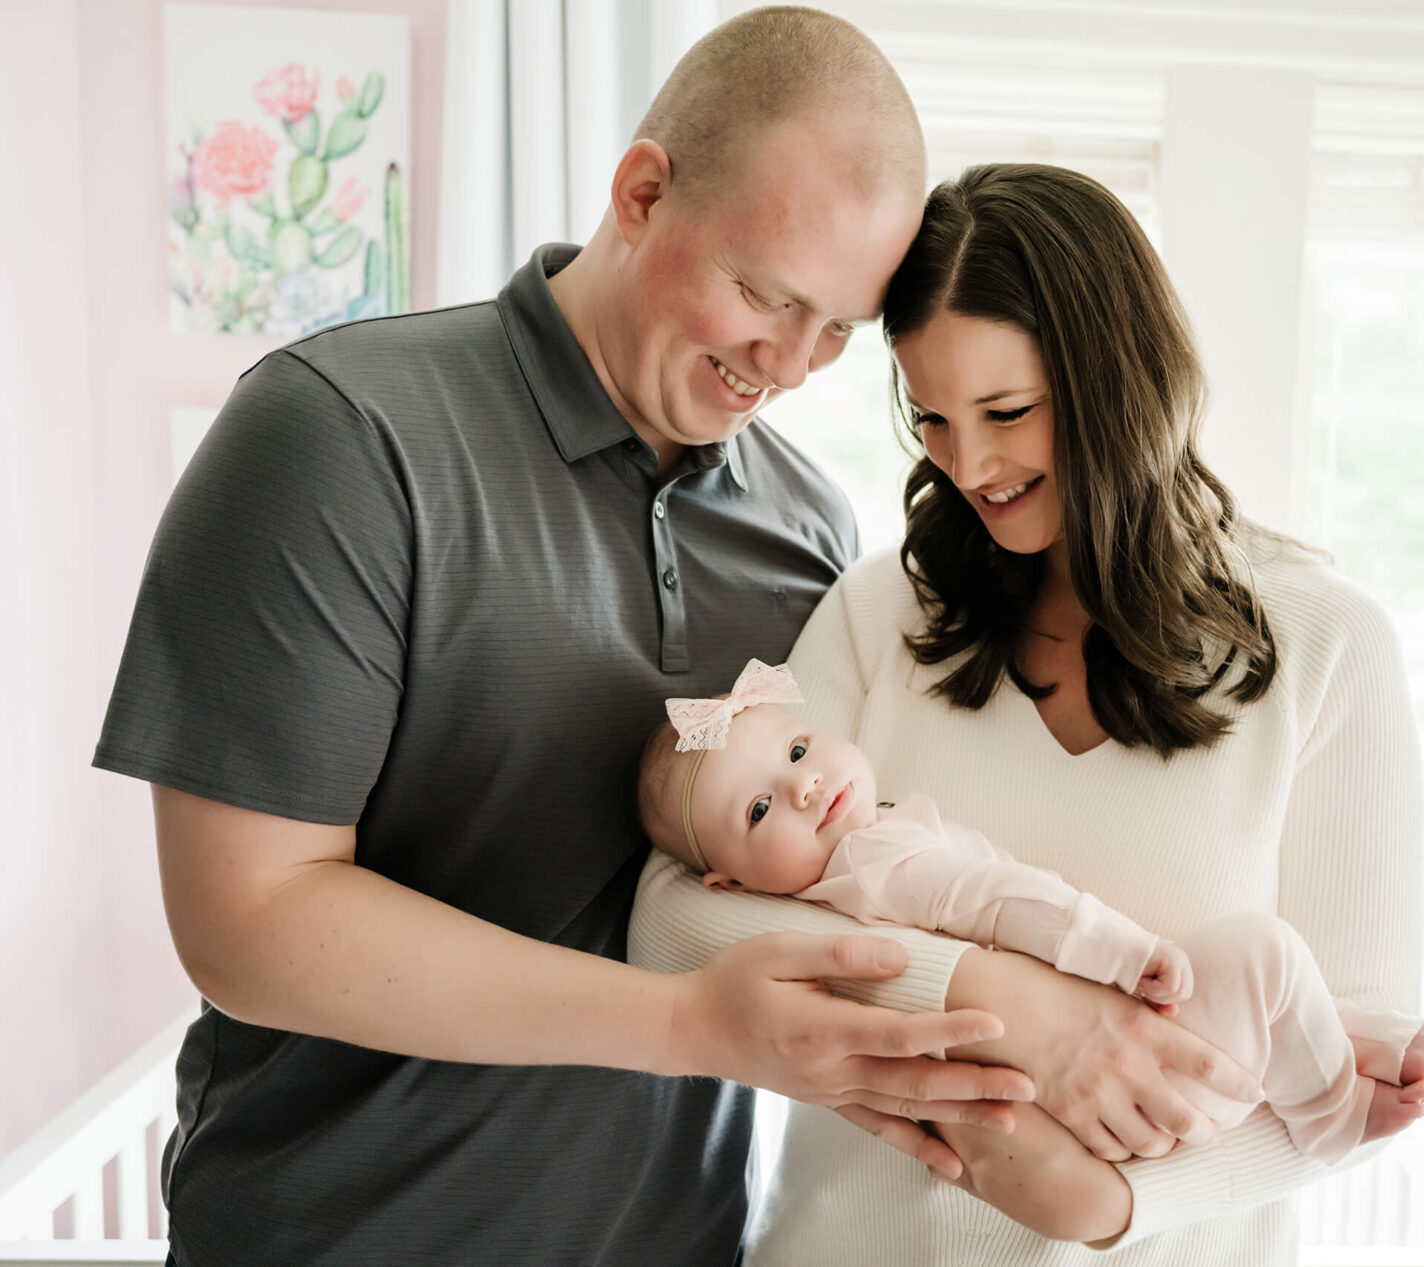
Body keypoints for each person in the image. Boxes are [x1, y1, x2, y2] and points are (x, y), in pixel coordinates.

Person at [91, 12, 1277, 1264]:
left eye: (836, 329)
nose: (789, 363)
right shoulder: (340, 436)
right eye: (765, 294)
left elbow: (850, 870)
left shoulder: (808, 528)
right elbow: (248, 924)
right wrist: (685, 1023)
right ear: (642, 191)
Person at [628, 161, 1424, 1263]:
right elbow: (672, 928)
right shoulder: (880, 614)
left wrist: (1104, 1204)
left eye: (1007, 412)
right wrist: (993, 996)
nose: (972, 466)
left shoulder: (1328, 649)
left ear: (1119, 384)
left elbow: (1365, 1069)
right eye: (933, 420)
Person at [633, 661, 1424, 1192]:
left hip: (1086, 1086)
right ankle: (1337, 1116)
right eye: (758, 808)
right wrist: (1129, 951)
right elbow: (1005, 901)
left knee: (1275, 996)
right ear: (726, 878)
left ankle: (1393, 1042)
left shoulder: (830, 885)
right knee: (1263, 955)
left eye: (796, 752)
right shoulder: (881, 862)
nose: (806, 788)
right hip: (1113, 1087)